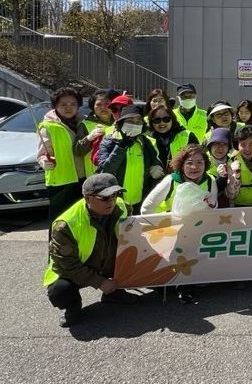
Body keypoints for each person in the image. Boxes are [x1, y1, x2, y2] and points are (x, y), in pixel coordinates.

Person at [43, 173, 137, 328]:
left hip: (106, 260)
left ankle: (114, 293)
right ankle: (73, 306)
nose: (111, 201)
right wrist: (99, 282)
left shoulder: (122, 206)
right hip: (75, 269)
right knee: (60, 291)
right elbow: (67, 264)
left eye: (114, 195)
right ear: (87, 199)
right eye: (104, 198)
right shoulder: (65, 225)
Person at [98, 105, 162, 211]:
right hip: (116, 202)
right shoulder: (109, 142)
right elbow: (105, 170)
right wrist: (121, 147)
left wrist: (156, 166)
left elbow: (154, 160)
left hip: (140, 201)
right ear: (121, 123)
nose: (134, 124)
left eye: (138, 122)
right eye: (130, 121)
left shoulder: (145, 142)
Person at [38, 87, 87, 224]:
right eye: (63, 104)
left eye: (73, 104)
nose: (68, 108)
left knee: (81, 220)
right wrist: (45, 162)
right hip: (61, 182)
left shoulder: (85, 123)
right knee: (60, 221)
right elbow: (42, 154)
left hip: (84, 178)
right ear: (55, 106)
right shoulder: (48, 126)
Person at [141, 144, 219, 214]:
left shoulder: (210, 180)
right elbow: (146, 209)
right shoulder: (170, 180)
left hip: (196, 223)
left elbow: (213, 210)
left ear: (205, 164)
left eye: (199, 162)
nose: (194, 167)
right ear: (182, 165)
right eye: (189, 163)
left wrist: (213, 204)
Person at [75, 89, 117, 178]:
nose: (103, 107)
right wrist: (89, 138)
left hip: (118, 173)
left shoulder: (119, 123)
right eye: (98, 104)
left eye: (107, 104)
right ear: (93, 107)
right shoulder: (85, 124)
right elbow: (77, 151)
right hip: (95, 175)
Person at [225, 125, 252, 207]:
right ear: (237, 145)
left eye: (251, 144)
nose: (247, 149)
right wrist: (235, 177)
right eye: (243, 145)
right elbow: (230, 195)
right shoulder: (231, 161)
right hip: (238, 206)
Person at [145, 105, 198, 170]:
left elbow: (198, 159)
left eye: (166, 119)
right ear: (151, 122)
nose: (162, 123)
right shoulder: (146, 139)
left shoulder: (188, 136)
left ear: (172, 120)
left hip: (181, 175)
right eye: (157, 120)